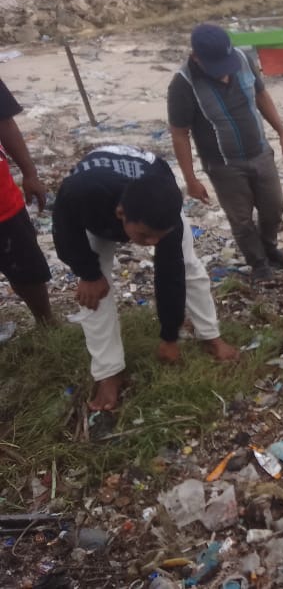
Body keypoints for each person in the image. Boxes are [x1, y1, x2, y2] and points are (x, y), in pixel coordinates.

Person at [52, 146, 240, 411]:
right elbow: (64, 233)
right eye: (144, 236)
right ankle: (108, 372)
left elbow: (170, 274)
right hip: (94, 206)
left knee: (187, 266)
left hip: (149, 186)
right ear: (121, 215)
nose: (151, 244)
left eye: (157, 238)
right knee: (94, 293)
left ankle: (210, 335)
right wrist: (88, 273)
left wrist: (169, 337)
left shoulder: (166, 208)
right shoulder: (80, 193)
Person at [168, 24, 283, 284]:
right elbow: (180, 133)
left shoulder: (241, 58)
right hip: (223, 165)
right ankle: (258, 264)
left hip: (260, 152)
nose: (225, 74)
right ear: (196, 58)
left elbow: (261, 96)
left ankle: (269, 248)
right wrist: (191, 179)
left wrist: (282, 132)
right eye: (217, 68)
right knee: (241, 219)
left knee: (274, 209)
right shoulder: (182, 85)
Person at [0, 79, 53, 327]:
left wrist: (30, 174)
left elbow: (5, 122)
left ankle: (46, 324)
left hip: (3, 204)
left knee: (27, 270)